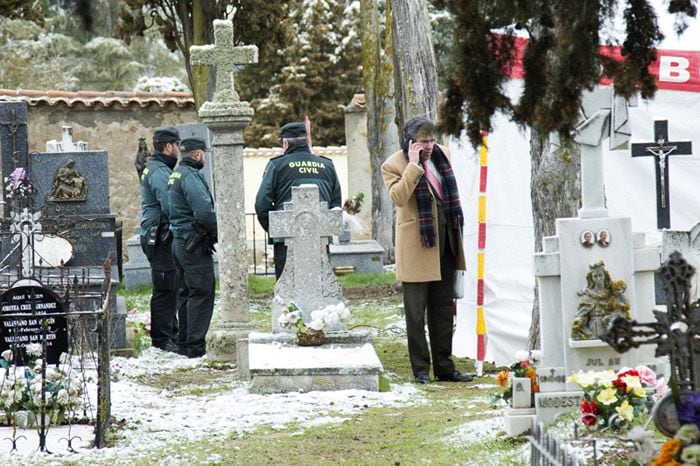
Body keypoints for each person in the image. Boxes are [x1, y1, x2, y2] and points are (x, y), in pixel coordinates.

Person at [381, 116, 472, 384]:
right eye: (424, 142)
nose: (430, 146)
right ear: (411, 142)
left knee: (443, 309)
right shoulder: (393, 164)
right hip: (417, 246)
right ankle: (421, 369)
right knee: (416, 311)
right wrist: (413, 165)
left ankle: (445, 367)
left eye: (432, 140)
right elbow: (398, 197)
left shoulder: (443, 154)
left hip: (445, 241)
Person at [255, 121, 342, 279]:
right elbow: (335, 204)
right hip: (319, 239)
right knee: (319, 285)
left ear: (286, 143)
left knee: (288, 287)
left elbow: (262, 204)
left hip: (287, 239)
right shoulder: (327, 165)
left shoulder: (277, 165)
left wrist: (275, 228)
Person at [168, 137, 218, 358]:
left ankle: (185, 343)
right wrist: (217, 232)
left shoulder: (176, 173)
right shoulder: (190, 176)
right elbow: (204, 211)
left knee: (186, 293)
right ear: (197, 154)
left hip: (180, 240)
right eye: (203, 154)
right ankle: (195, 346)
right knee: (201, 291)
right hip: (193, 241)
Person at [140, 126, 181, 353]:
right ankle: (162, 339)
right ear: (168, 146)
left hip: (160, 234)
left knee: (170, 287)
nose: (179, 150)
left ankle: (171, 334)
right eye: (177, 145)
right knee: (165, 289)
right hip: (160, 236)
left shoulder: (157, 168)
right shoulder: (159, 172)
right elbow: (170, 204)